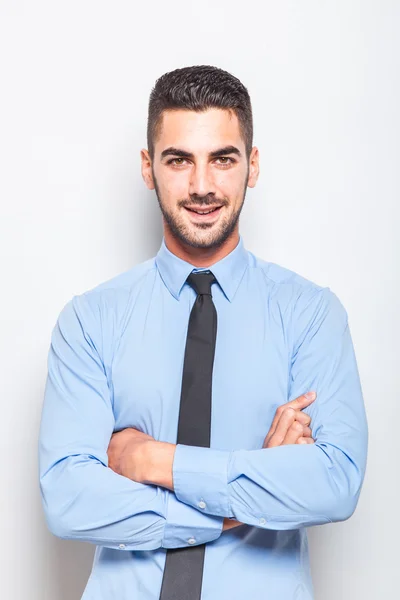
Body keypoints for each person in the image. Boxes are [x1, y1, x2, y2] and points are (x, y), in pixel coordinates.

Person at [38, 65, 368, 600]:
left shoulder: (311, 315)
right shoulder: (89, 321)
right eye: (178, 160)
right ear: (148, 168)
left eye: (222, 158)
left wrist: (151, 461)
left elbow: (334, 483)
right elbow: (69, 498)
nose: (201, 186)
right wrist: (244, 500)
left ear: (252, 166)